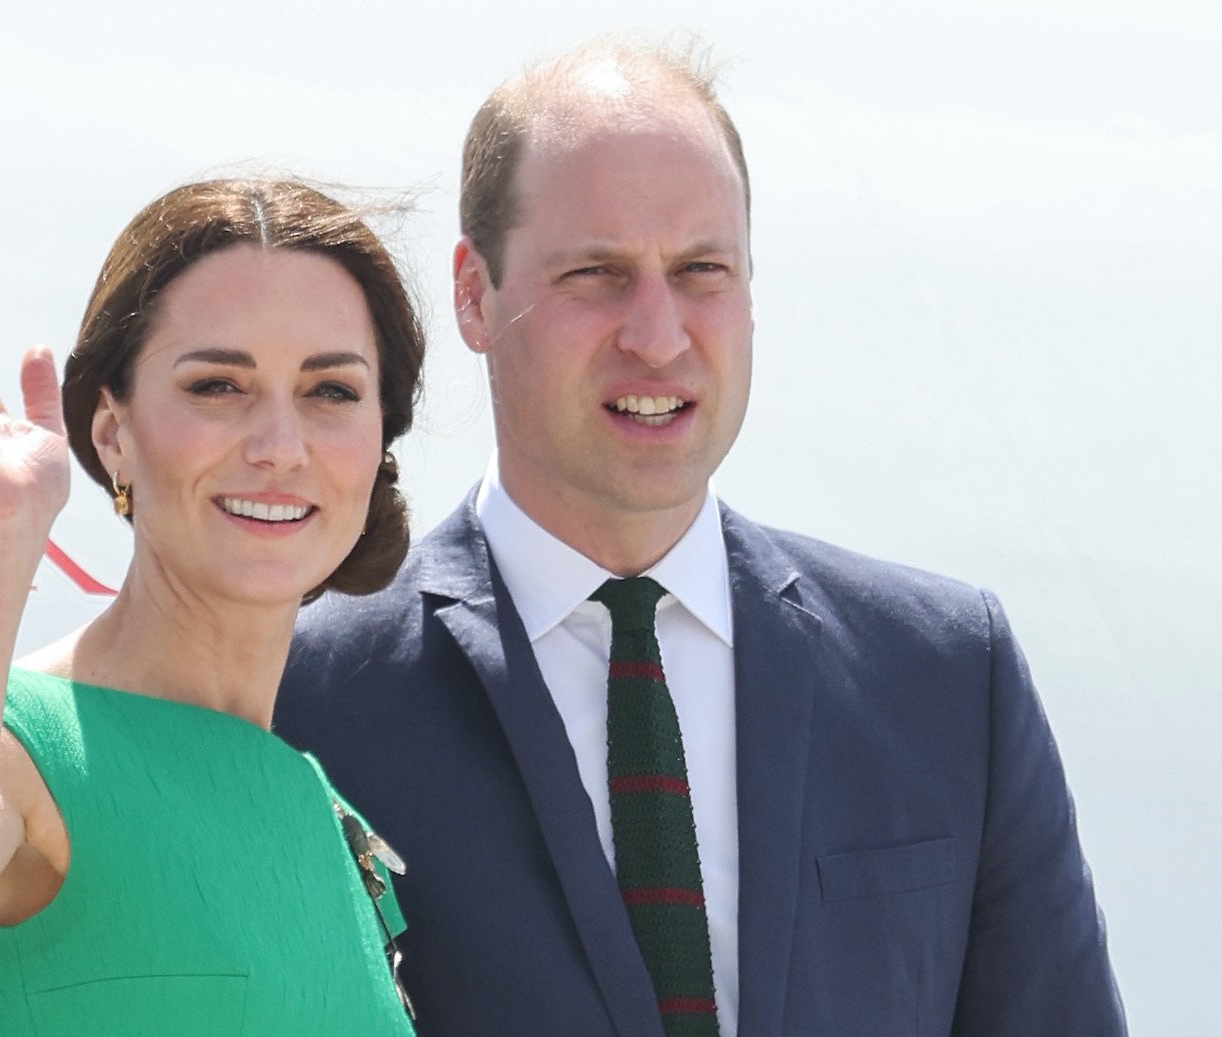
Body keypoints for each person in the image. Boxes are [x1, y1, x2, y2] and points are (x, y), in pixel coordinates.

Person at [275, 40, 1127, 1037]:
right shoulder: (302, 700)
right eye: (596, 273)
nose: (659, 332)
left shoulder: (946, 674)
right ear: (473, 292)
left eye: (700, 271)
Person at [0, 178, 423, 1035]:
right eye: (218, 384)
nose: (280, 447)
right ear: (111, 432)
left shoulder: (317, 804)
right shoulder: (22, 741)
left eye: (331, 391)